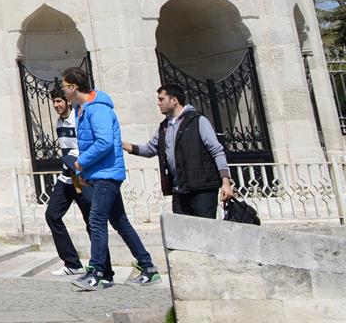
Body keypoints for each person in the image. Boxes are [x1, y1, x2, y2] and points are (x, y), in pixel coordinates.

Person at [60, 67, 161, 291]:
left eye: (64, 86)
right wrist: (84, 173)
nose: (62, 90)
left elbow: (104, 142)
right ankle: (148, 267)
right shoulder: (81, 109)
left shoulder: (98, 109)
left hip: (107, 174)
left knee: (96, 220)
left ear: (74, 87)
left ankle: (97, 272)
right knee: (120, 221)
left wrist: (81, 163)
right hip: (99, 173)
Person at [123, 83, 233, 219]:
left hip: (202, 189)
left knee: (204, 234)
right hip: (180, 190)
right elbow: (149, 149)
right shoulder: (165, 127)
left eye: (161, 99)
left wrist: (226, 182)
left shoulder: (198, 121)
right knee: (182, 234)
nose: (158, 103)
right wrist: (120, 144)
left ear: (174, 100)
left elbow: (217, 151)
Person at [43, 94, 92, 277]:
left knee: (91, 222)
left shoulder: (77, 120)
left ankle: (100, 265)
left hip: (81, 178)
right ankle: (72, 263)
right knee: (52, 215)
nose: (56, 105)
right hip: (65, 178)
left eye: (59, 101)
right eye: (54, 102)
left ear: (68, 102)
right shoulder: (58, 123)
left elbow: (84, 145)